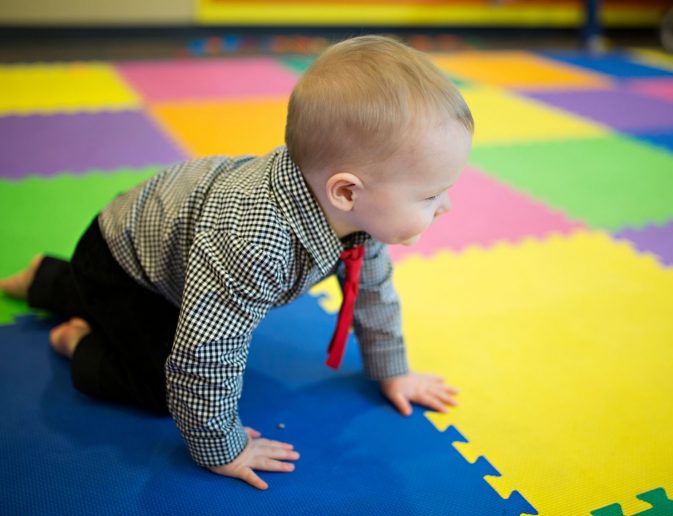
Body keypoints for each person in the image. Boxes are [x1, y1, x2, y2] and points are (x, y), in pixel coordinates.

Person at [0, 35, 473, 490]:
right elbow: (203, 354)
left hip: (160, 250)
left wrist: (393, 371)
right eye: (430, 195)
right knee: (161, 388)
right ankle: (78, 341)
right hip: (124, 266)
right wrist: (220, 448)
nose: (447, 206)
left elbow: (372, 293)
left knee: (153, 313)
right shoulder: (255, 243)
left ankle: (47, 277)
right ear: (346, 191)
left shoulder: (355, 216)